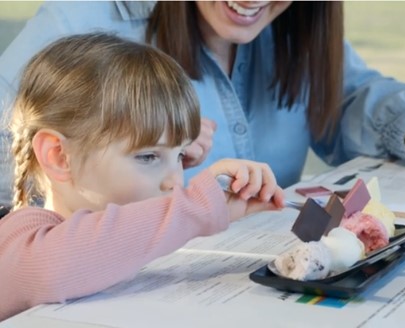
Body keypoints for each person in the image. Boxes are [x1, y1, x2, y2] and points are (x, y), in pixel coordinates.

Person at [0, 1, 405, 206]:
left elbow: (350, 94)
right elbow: (15, 147)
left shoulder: (294, 25)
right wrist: (121, 139)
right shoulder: (85, 19)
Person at [0, 32, 285, 321]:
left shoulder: (127, 249)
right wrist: (199, 206)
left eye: (180, 156)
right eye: (148, 157)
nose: (175, 181)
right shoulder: (16, 243)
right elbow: (60, 265)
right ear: (59, 156)